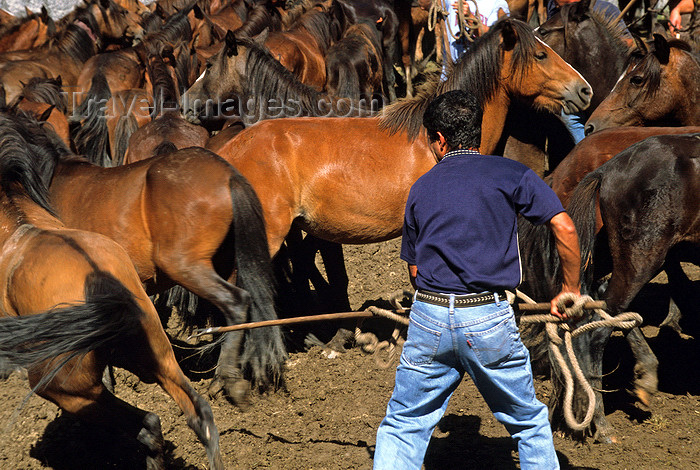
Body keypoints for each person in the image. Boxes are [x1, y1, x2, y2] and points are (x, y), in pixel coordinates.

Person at [372, 89, 581, 470]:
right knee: (529, 422)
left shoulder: (420, 188)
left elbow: (416, 272)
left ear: (440, 140)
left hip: (429, 317)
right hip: (488, 317)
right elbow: (564, 226)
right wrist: (570, 290)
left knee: (403, 424)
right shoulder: (512, 173)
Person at [546, 0, 633, 144]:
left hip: (607, 82)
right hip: (576, 82)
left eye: (555, 0)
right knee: (569, 115)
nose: (553, 4)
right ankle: (586, 147)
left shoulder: (603, 8)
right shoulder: (556, 10)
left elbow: (629, 42)